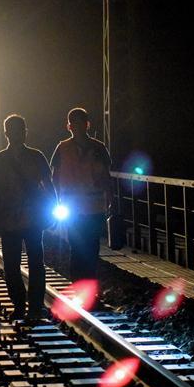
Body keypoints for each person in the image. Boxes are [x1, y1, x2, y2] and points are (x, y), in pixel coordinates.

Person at [0, 114, 54, 321]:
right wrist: (53, 208)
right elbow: (49, 186)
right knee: (35, 263)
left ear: (5, 133)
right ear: (24, 132)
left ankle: (20, 305)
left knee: (12, 265)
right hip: (33, 219)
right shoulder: (36, 156)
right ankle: (34, 306)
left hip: (9, 219)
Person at [50, 107, 112, 281]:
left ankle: (85, 285)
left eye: (80, 123)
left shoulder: (97, 148)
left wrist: (111, 200)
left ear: (87, 125)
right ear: (69, 126)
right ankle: (80, 284)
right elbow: (55, 178)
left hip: (92, 208)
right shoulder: (64, 148)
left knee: (90, 248)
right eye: (74, 123)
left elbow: (106, 177)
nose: (77, 126)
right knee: (78, 247)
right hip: (77, 208)